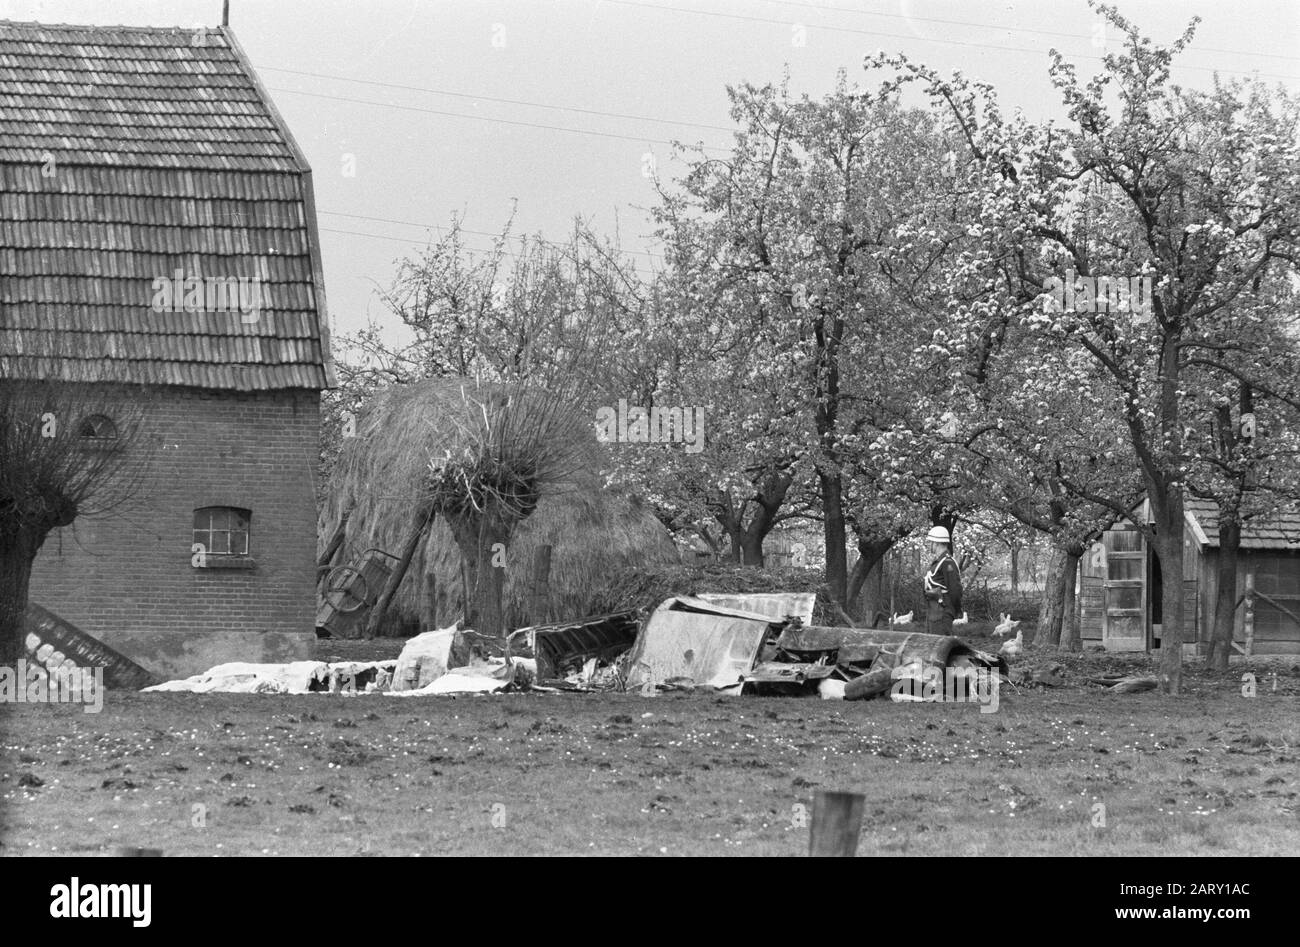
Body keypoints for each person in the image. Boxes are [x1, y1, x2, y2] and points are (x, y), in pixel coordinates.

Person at [922, 526, 962, 636]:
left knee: (941, 645)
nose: (930, 545)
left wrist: (955, 610)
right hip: (934, 611)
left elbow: (955, 590)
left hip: (942, 611)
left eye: (931, 542)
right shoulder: (938, 562)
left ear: (937, 543)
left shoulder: (947, 562)